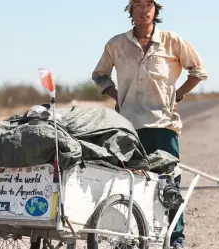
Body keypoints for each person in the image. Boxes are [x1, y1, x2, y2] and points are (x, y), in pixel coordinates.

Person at [91, 0, 208, 248]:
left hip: (163, 125)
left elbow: (198, 71)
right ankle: (133, 235)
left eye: (148, 5)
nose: (144, 10)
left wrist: (177, 95)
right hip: (129, 127)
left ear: (156, 10)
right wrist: (117, 96)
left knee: (169, 184)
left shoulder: (171, 41)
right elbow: (99, 75)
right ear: (130, 11)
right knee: (130, 182)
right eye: (138, 5)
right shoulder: (117, 44)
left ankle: (175, 239)